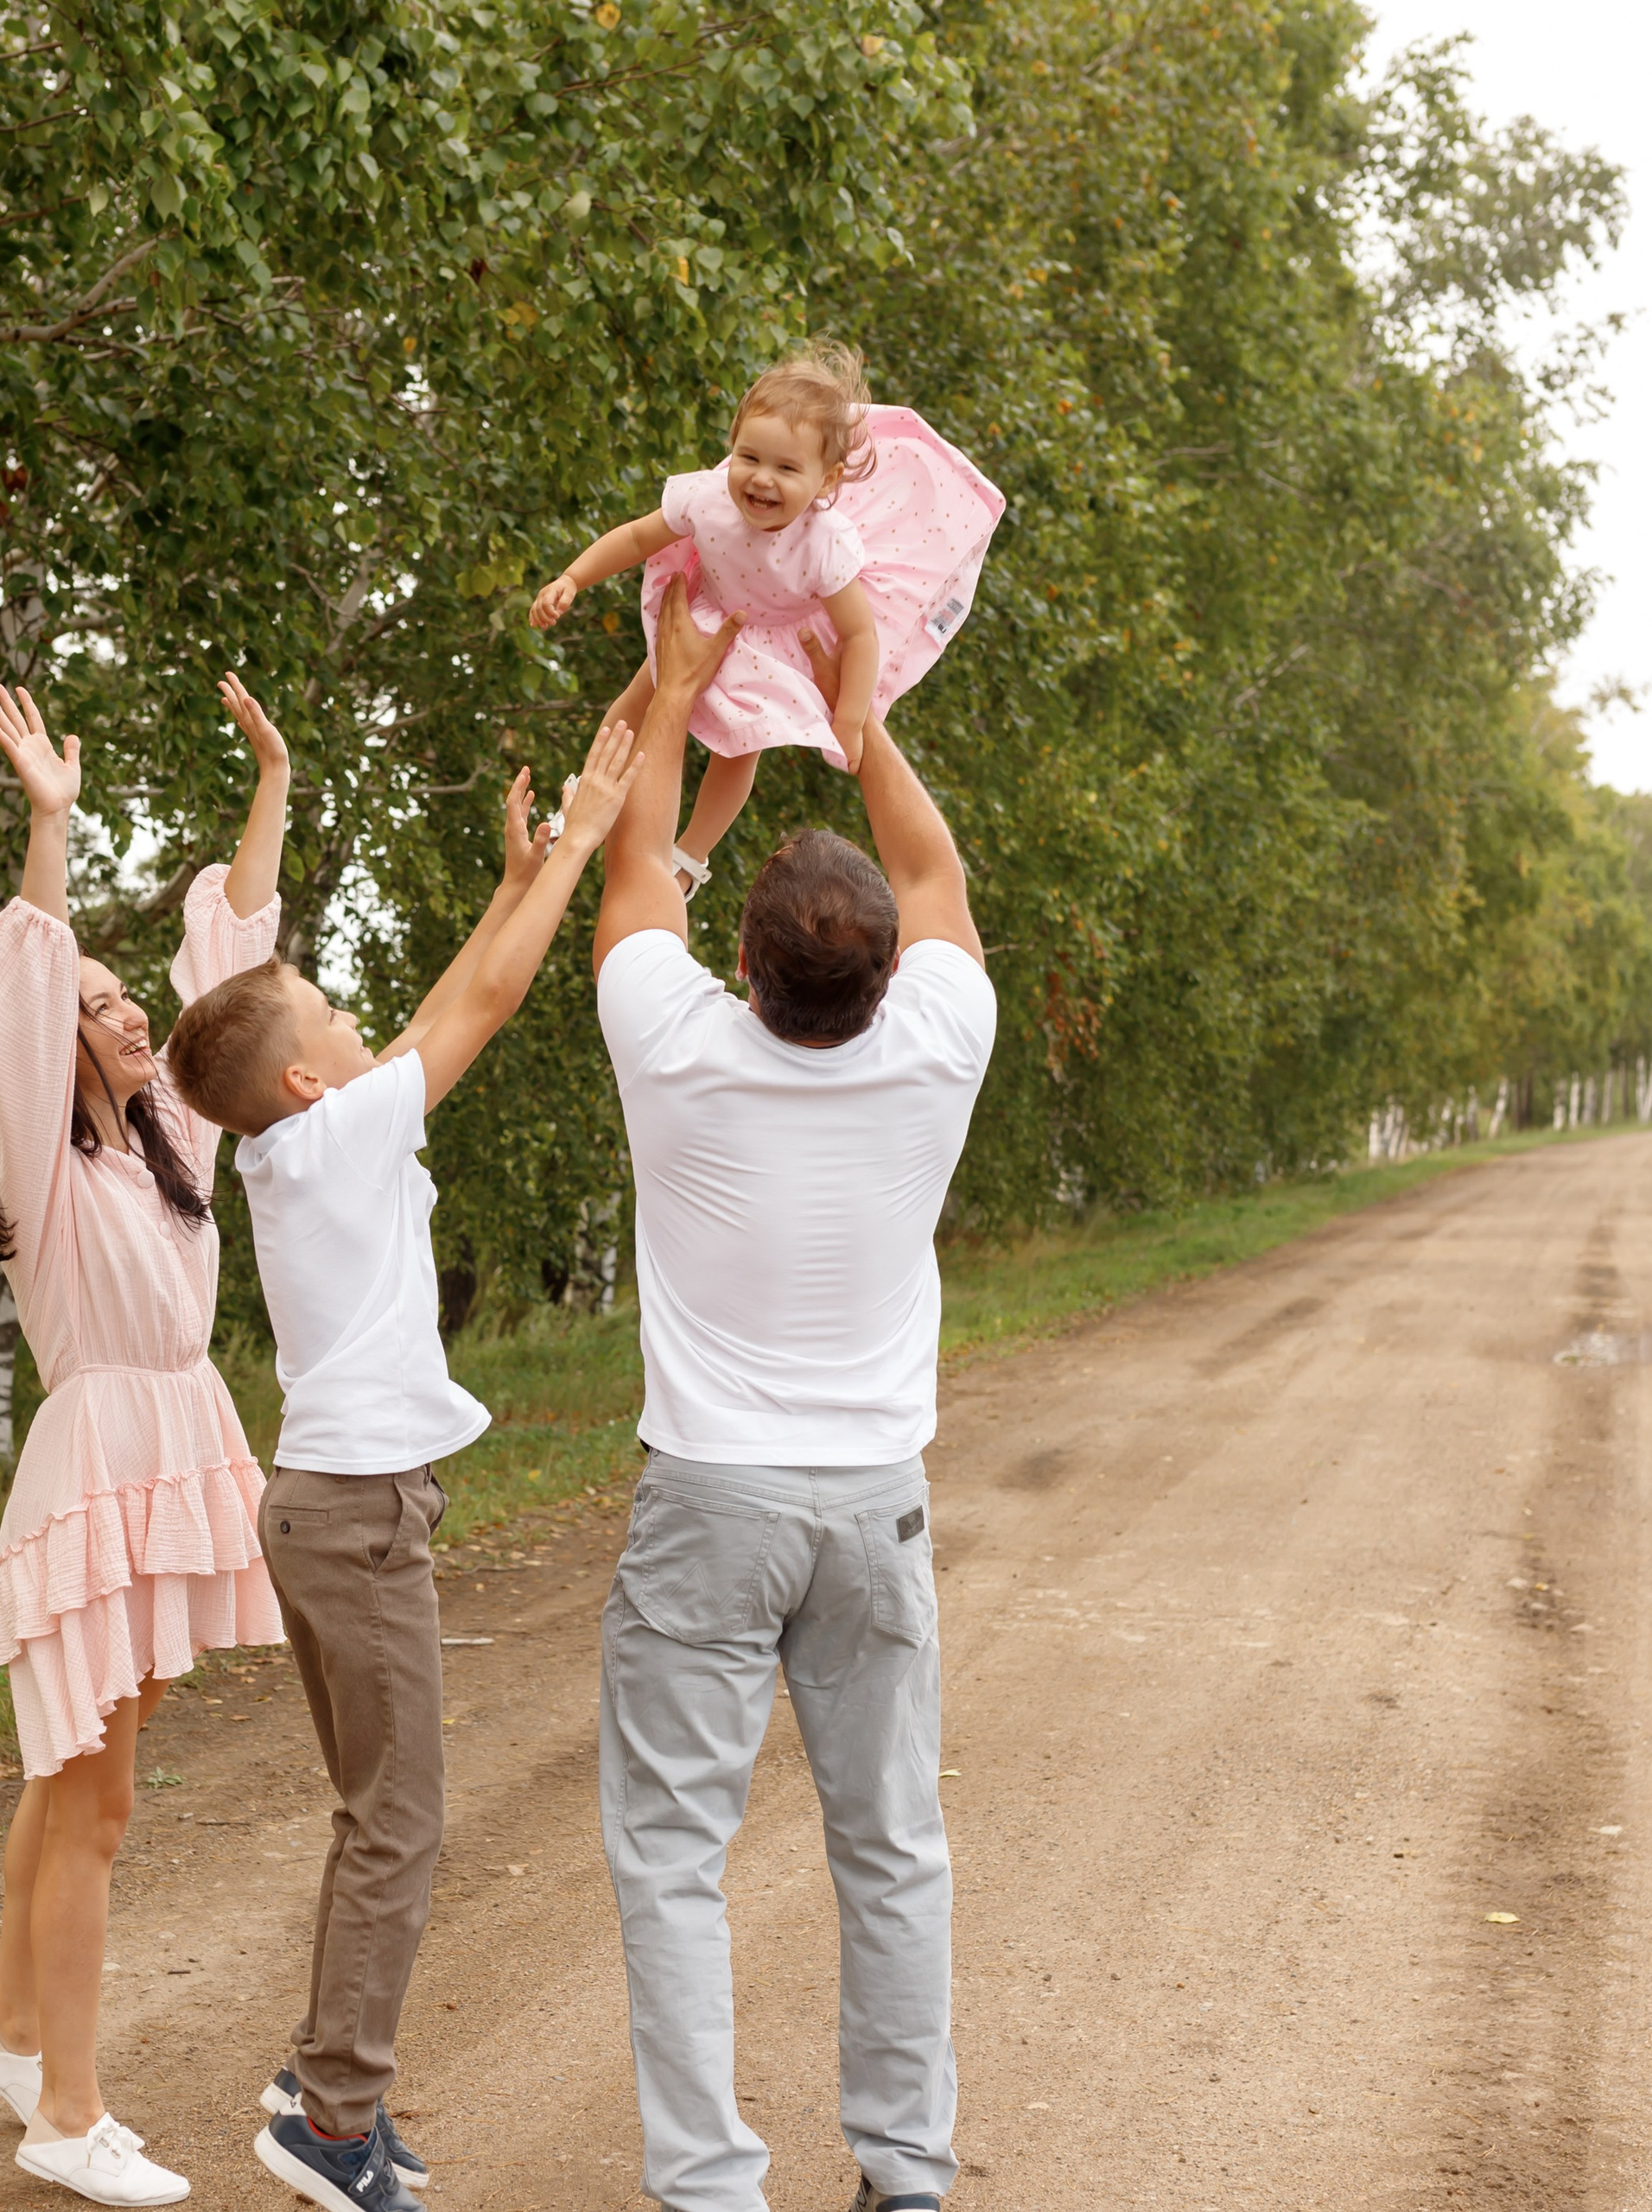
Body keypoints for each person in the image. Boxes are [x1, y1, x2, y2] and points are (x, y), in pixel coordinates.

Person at [163, 720, 646, 2212]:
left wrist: (511, 883)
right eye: (331, 1012)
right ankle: (327, 2123)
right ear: (311, 1082)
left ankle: (327, 2078)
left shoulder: (307, 1141)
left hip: (326, 1512)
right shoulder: (332, 1139)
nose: (359, 1016)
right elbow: (483, 1009)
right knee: (403, 1818)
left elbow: (451, 996)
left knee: (374, 1806)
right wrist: (578, 842)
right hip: (357, 1520)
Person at [591, 578, 998, 2212]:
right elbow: (934, 870)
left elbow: (633, 871)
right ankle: (906, 2177)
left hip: (708, 1505)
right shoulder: (940, 1039)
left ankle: (708, 2190)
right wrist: (865, 714)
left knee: (673, 1867)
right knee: (892, 1853)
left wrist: (672, 680)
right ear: (887, 976)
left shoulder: (672, 1039)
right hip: (872, 1507)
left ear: (744, 963)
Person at [0, 673, 293, 2208]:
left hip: (174, 1451)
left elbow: (234, 976)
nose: (125, 1009)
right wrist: (51, 824)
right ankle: (67, 2112)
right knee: (92, 1797)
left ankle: (19, 2037)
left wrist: (270, 789)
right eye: (99, 1002)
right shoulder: (38, 1171)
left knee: (82, 1778)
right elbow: (22, 1010)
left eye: (122, 994)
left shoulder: (173, 1154)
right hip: (104, 1466)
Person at [530, 341, 1002, 898]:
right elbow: (637, 536)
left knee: (738, 747)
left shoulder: (824, 545)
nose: (761, 480)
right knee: (635, 706)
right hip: (708, 614)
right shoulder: (707, 498)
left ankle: (690, 855)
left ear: (826, 482)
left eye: (786, 468)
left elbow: (858, 635)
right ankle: (587, 798)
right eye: (750, 458)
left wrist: (850, 720)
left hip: (772, 641)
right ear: (734, 447)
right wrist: (572, 578)